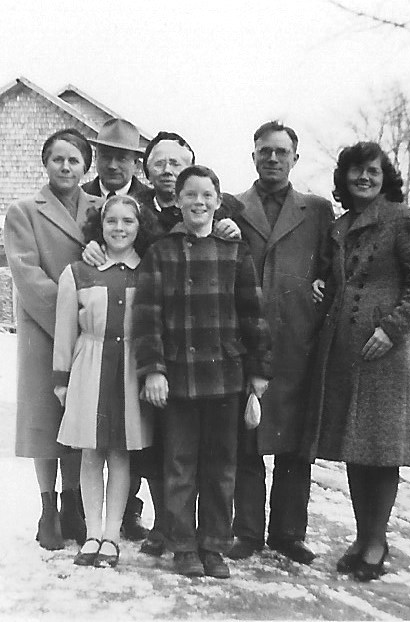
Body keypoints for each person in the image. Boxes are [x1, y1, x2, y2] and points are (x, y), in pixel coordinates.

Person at [82, 131, 242, 553]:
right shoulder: (142, 213)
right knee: (159, 451)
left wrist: (230, 226)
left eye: (177, 163)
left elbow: (244, 292)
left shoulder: (222, 223)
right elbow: (110, 231)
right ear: (147, 168)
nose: (167, 171)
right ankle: (163, 527)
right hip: (158, 352)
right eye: (160, 163)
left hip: (210, 358)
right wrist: (94, 246)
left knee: (201, 455)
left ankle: (192, 535)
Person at [133, 165, 272, 579]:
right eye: (190, 194)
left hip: (225, 376)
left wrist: (259, 370)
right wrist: (153, 371)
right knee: (179, 465)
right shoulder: (161, 251)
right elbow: (147, 318)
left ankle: (214, 545)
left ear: (217, 200)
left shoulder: (235, 250)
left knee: (221, 465)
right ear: (177, 201)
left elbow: (254, 314)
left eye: (206, 195)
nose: (198, 202)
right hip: (177, 376)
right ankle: (183, 545)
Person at [308, 141, 410, 581]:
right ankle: (363, 538)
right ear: (343, 178)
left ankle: (376, 543)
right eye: (355, 171)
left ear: (385, 177)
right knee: (356, 452)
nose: (364, 178)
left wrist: (391, 329)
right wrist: (321, 285)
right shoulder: (341, 226)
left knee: (382, 453)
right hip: (346, 354)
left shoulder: (405, 221)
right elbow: (336, 275)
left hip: (384, 355)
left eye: (373, 171)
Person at [228, 121, 335, 565]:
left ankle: (289, 533)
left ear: (295, 158)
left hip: (297, 341)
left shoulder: (317, 211)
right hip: (246, 337)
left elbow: (332, 266)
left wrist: (322, 289)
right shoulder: (231, 206)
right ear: (253, 156)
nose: (273, 158)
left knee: (295, 442)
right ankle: (248, 531)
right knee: (246, 438)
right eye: (265, 151)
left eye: (281, 152)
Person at [3, 128, 100, 550]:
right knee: (46, 418)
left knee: (80, 417)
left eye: (74, 160)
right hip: (44, 328)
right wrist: (70, 317)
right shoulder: (24, 211)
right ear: (46, 163)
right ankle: (47, 507)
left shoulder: (101, 209)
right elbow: (27, 274)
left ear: (85, 167)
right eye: (57, 159)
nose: (65, 167)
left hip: (92, 328)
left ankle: (73, 502)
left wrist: (90, 320)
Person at [53, 195, 155, 568]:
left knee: (120, 452)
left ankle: (112, 535)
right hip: (89, 367)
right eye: (111, 221)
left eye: (128, 222)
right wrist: (61, 379)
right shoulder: (78, 272)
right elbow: (65, 329)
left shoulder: (147, 272)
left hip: (129, 370)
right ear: (101, 226)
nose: (119, 228)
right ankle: (92, 532)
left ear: (139, 228)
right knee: (91, 452)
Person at [80, 117, 151, 541]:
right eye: (106, 155)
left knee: (127, 441)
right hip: (94, 324)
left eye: (122, 157)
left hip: (133, 330)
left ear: (134, 163)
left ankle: (128, 514)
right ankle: (85, 521)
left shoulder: (148, 204)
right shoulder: (85, 200)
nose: (113, 164)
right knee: (90, 439)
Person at [82, 118, 151, 200]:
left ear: (135, 162)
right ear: (96, 157)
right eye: (106, 157)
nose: (112, 166)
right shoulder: (79, 197)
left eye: (122, 159)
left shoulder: (150, 202)